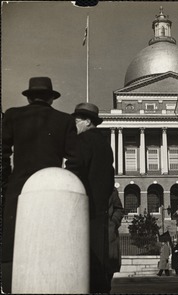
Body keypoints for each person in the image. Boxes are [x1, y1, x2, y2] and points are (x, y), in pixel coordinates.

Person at [2, 77, 79, 293]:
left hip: (18, 188)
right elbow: (75, 159)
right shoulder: (64, 120)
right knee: (50, 245)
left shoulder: (12, 115)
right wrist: (64, 182)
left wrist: (7, 182)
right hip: (52, 189)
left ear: (28, 97)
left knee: (14, 245)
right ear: (51, 98)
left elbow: (3, 152)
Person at [72, 102, 115, 293]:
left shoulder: (84, 140)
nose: (76, 125)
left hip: (85, 208)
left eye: (78, 120)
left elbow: (75, 169)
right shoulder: (106, 146)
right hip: (101, 208)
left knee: (86, 256)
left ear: (88, 122)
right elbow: (109, 181)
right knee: (99, 255)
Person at [107, 188, 124, 289]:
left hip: (108, 234)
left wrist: (113, 223)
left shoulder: (111, 190)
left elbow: (119, 209)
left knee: (106, 277)